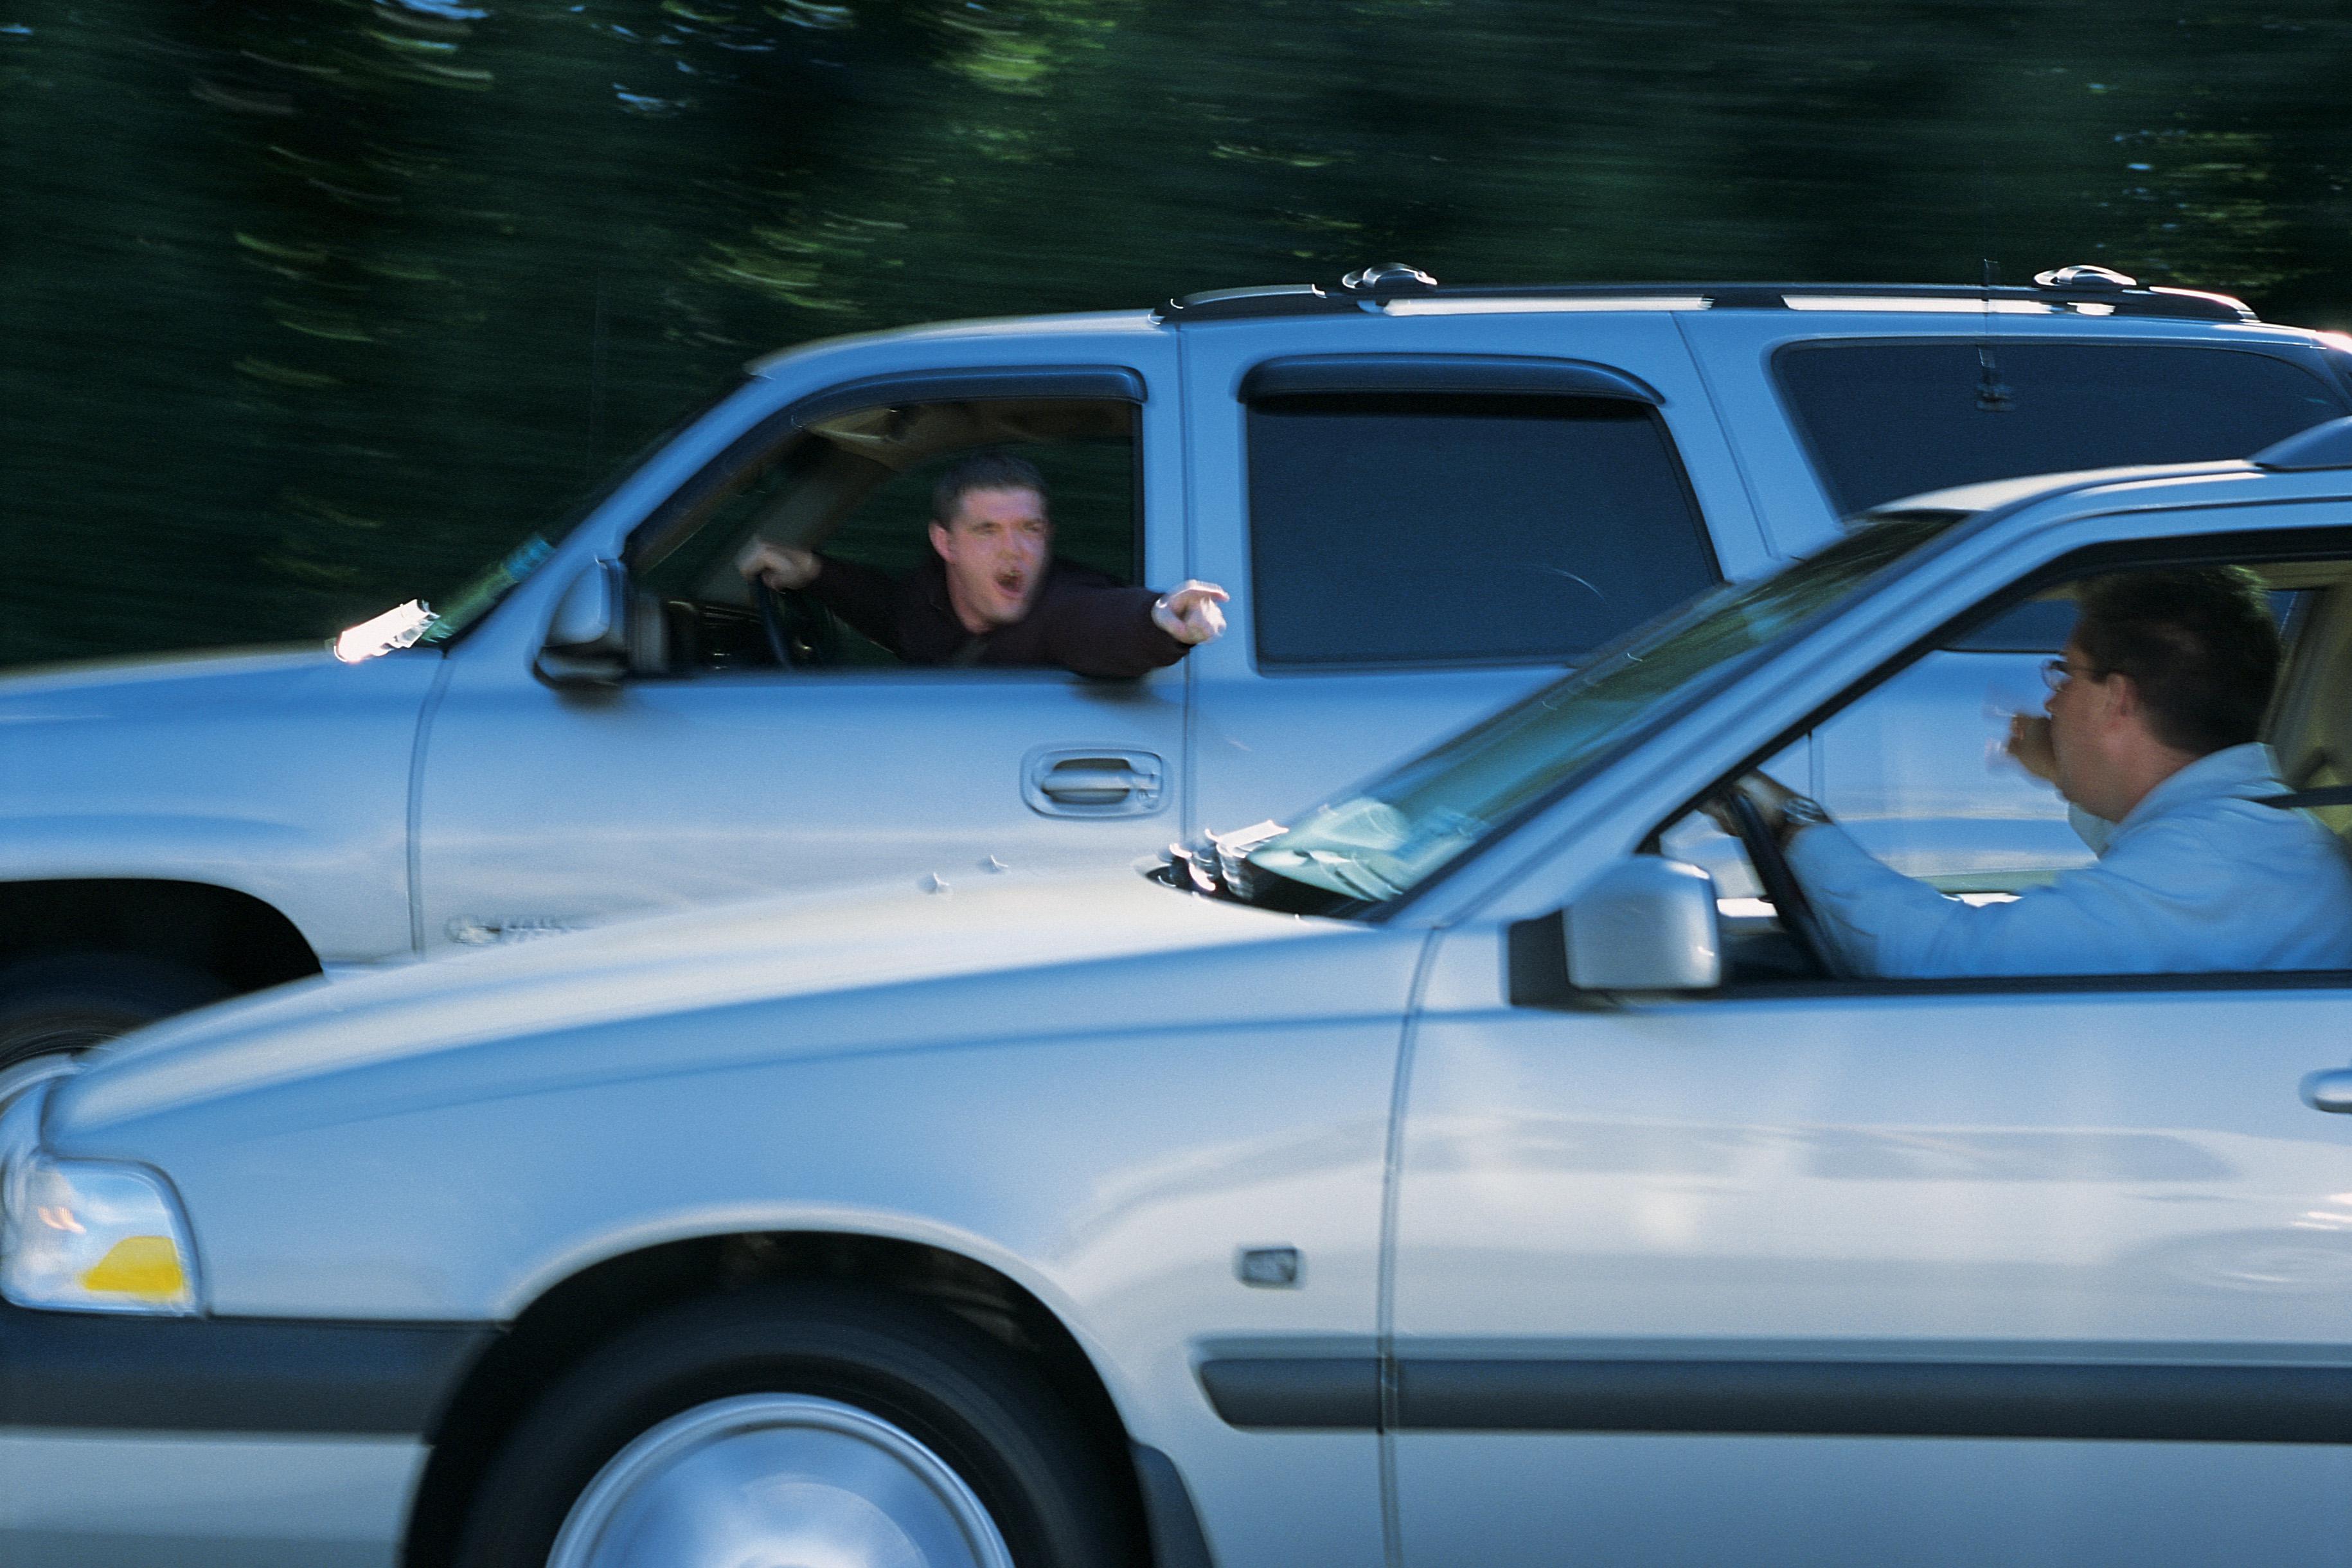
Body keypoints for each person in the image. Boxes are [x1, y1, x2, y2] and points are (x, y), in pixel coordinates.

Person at [1716, 566, 2352, 978]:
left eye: (2065, 674)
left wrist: (1793, 821)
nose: (2051, 700)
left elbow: (1939, 961)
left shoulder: (2208, 865)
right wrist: (2066, 772)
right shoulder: (2251, 839)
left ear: (2117, 699)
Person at [735, 451, 1227, 678]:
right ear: (945, 543)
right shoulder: (928, 600)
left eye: (1029, 529)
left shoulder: (1062, 606)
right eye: (988, 531)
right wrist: (813, 572)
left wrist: (1161, 620)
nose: (1014, 551)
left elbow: (1100, 623)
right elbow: (889, 609)